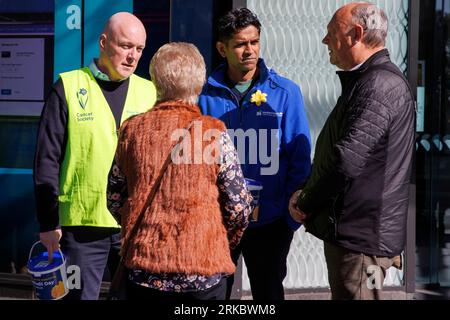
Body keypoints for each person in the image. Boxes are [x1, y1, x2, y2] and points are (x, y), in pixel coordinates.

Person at [106, 42, 253, 301]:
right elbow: (239, 206)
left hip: (144, 271)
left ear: (156, 81)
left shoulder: (133, 131)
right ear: (199, 83)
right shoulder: (212, 133)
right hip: (203, 274)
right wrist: (216, 238)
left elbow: (114, 197)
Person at [289, 2, 415, 300]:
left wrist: (306, 199)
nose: (325, 41)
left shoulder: (378, 85)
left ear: (356, 34)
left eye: (331, 32)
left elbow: (346, 161)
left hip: (362, 243)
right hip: (359, 237)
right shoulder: (369, 81)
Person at [33, 12, 156, 300]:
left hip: (134, 226)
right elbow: (46, 159)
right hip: (81, 230)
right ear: (103, 42)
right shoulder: (69, 86)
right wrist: (48, 223)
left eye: (139, 49)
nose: (132, 56)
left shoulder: (150, 92)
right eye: (125, 46)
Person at [198, 8, 312, 300]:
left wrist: (289, 220)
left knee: (269, 295)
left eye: (254, 42)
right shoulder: (203, 96)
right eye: (240, 44)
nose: (249, 50)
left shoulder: (285, 92)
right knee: (213, 295)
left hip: (271, 223)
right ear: (222, 49)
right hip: (219, 222)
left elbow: (299, 159)